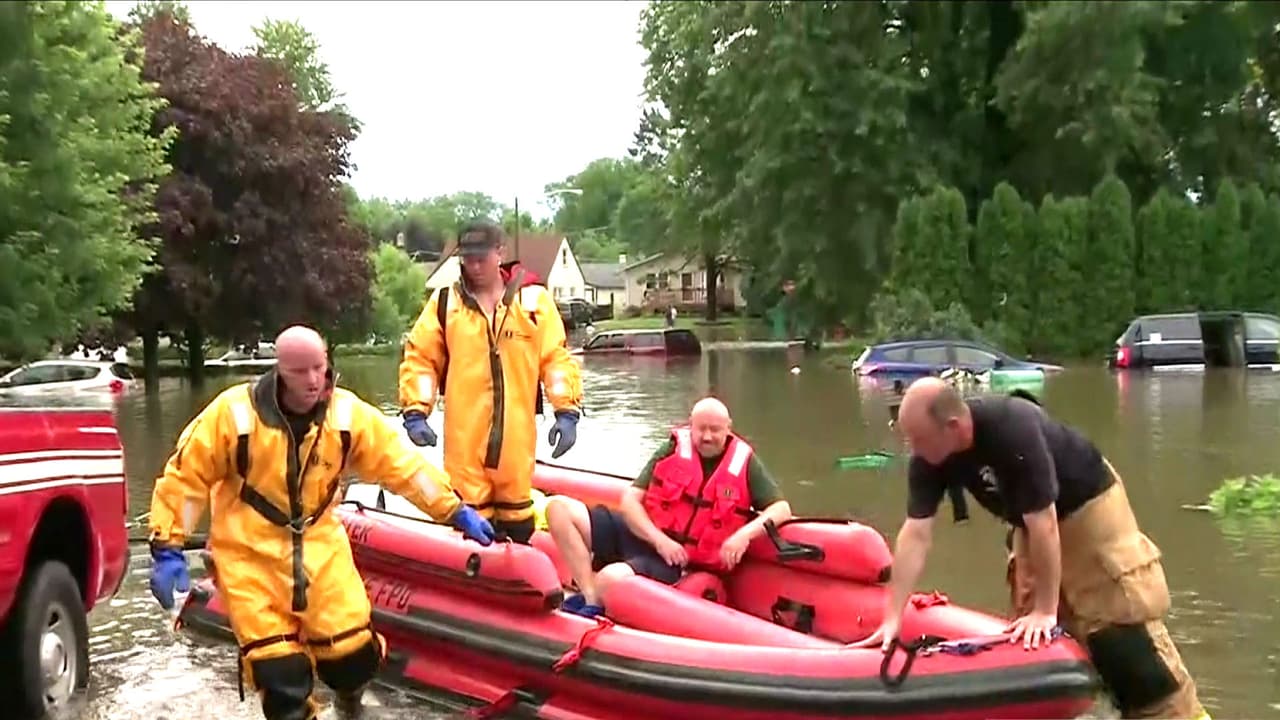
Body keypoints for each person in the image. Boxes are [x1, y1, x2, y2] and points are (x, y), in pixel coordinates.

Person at [146, 325, 495, 720]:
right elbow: (186, 480)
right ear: (280, 371)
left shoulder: (346, 415)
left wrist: (452, 509)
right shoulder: (233, 416)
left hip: (319, 547)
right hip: (248, 557)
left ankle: (351, 699)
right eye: (301, 372)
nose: (314, 380)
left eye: (319, 368)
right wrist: (167, 547)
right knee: (279, 676)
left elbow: (403, 468)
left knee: (353, 658)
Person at [854, 377, 1205, 720]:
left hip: (1087, 508)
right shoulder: (930, 456)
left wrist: (1047, 611)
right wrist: (893, 618)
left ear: (953, 425)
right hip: (1029, 521)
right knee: (1031, 643)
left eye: (919, 439)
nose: (914, 450)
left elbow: (1046, 523)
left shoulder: (1012, 428)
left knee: (1121, 642)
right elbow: (916, 534)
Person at [398, 220, 583, 545]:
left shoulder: (534, 303)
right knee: (470, 523)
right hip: (464, 443)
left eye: (481, 257)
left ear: (500, 253)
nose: (474, 265)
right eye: (467, 259)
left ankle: (520, 579)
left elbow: (555, 359)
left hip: (516, 441)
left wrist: (566, 411)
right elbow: (422, 359)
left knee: (518, 519)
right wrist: (416, 411)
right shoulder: (445, 305)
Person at [545, 397, 792, 618]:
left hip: (677, 561)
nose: (707, 437)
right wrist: (659, 539)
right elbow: (631, 501)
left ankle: (592, 601)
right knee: (558, 510)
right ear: (690, 426)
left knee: (610, 578)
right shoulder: (672, 448)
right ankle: (590, 598)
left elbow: (781, 509)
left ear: (728, 428)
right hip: (650, 537)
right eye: (701, 429)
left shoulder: (746, 464)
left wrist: (742, 536)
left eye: (715, 430)